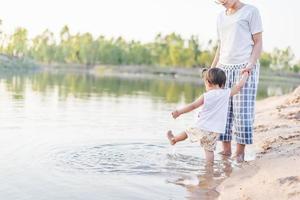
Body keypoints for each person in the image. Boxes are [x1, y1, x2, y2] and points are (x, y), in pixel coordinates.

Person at [211, 0, 263, 162]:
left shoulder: (251, 11)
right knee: (223, 112)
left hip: (244, 67)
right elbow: (221, 46)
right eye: (219, 2)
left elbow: (258, 42)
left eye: (224, 1)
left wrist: (250, 65)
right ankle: (225, 150)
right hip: (223, 68)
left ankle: (239, 153)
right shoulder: (220, 17)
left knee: (242, 112)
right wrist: (212, 69)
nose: (222, 3)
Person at [167, 68, 249, 165]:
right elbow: (239, 86)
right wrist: (245, 75)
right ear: (222, 84)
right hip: (215, 131)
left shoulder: (206, 96)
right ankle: (209, 168)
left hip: (203, 127)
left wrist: (179, 112)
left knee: (187, 132)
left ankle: (174, 139)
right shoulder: (226, 93)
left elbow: (193, 106)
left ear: (208, 83)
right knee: (209, 150)